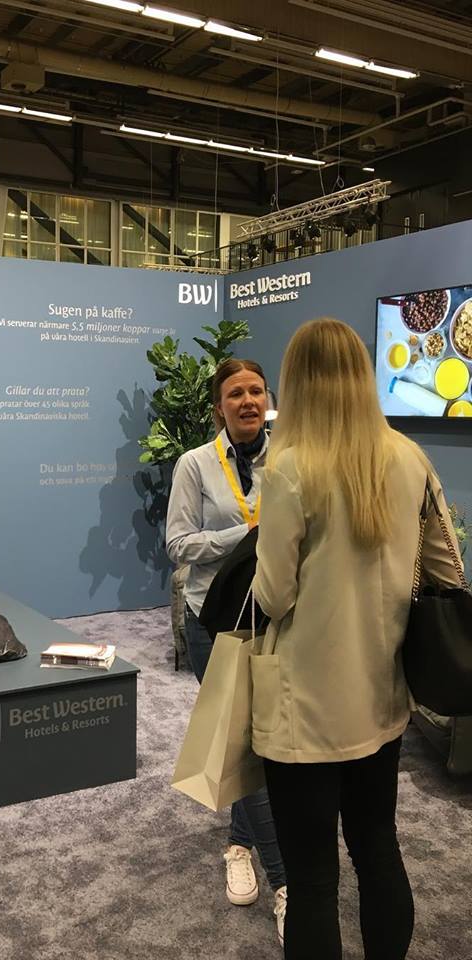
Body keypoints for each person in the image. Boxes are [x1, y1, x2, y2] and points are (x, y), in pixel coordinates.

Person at [251, 318, 464, 960]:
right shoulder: (409, 457)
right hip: (382, 696)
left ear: (298, 381)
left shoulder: (290, 468)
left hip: (304, 707)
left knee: (313, 877)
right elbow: (447, 569)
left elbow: (274, 596)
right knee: (377, 848)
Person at [166, 358, 287, 944]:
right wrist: (249, 534)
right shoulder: (194, 464)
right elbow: (178, 545)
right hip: (213, 620)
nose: (247, 401)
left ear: (268, 400)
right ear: (219, 407)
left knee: (259, 740)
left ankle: (239, 843)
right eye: (235, 393)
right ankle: (286, 881)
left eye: (255, 391)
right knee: (244, 739)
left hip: (276, 618)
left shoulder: (288, 459)